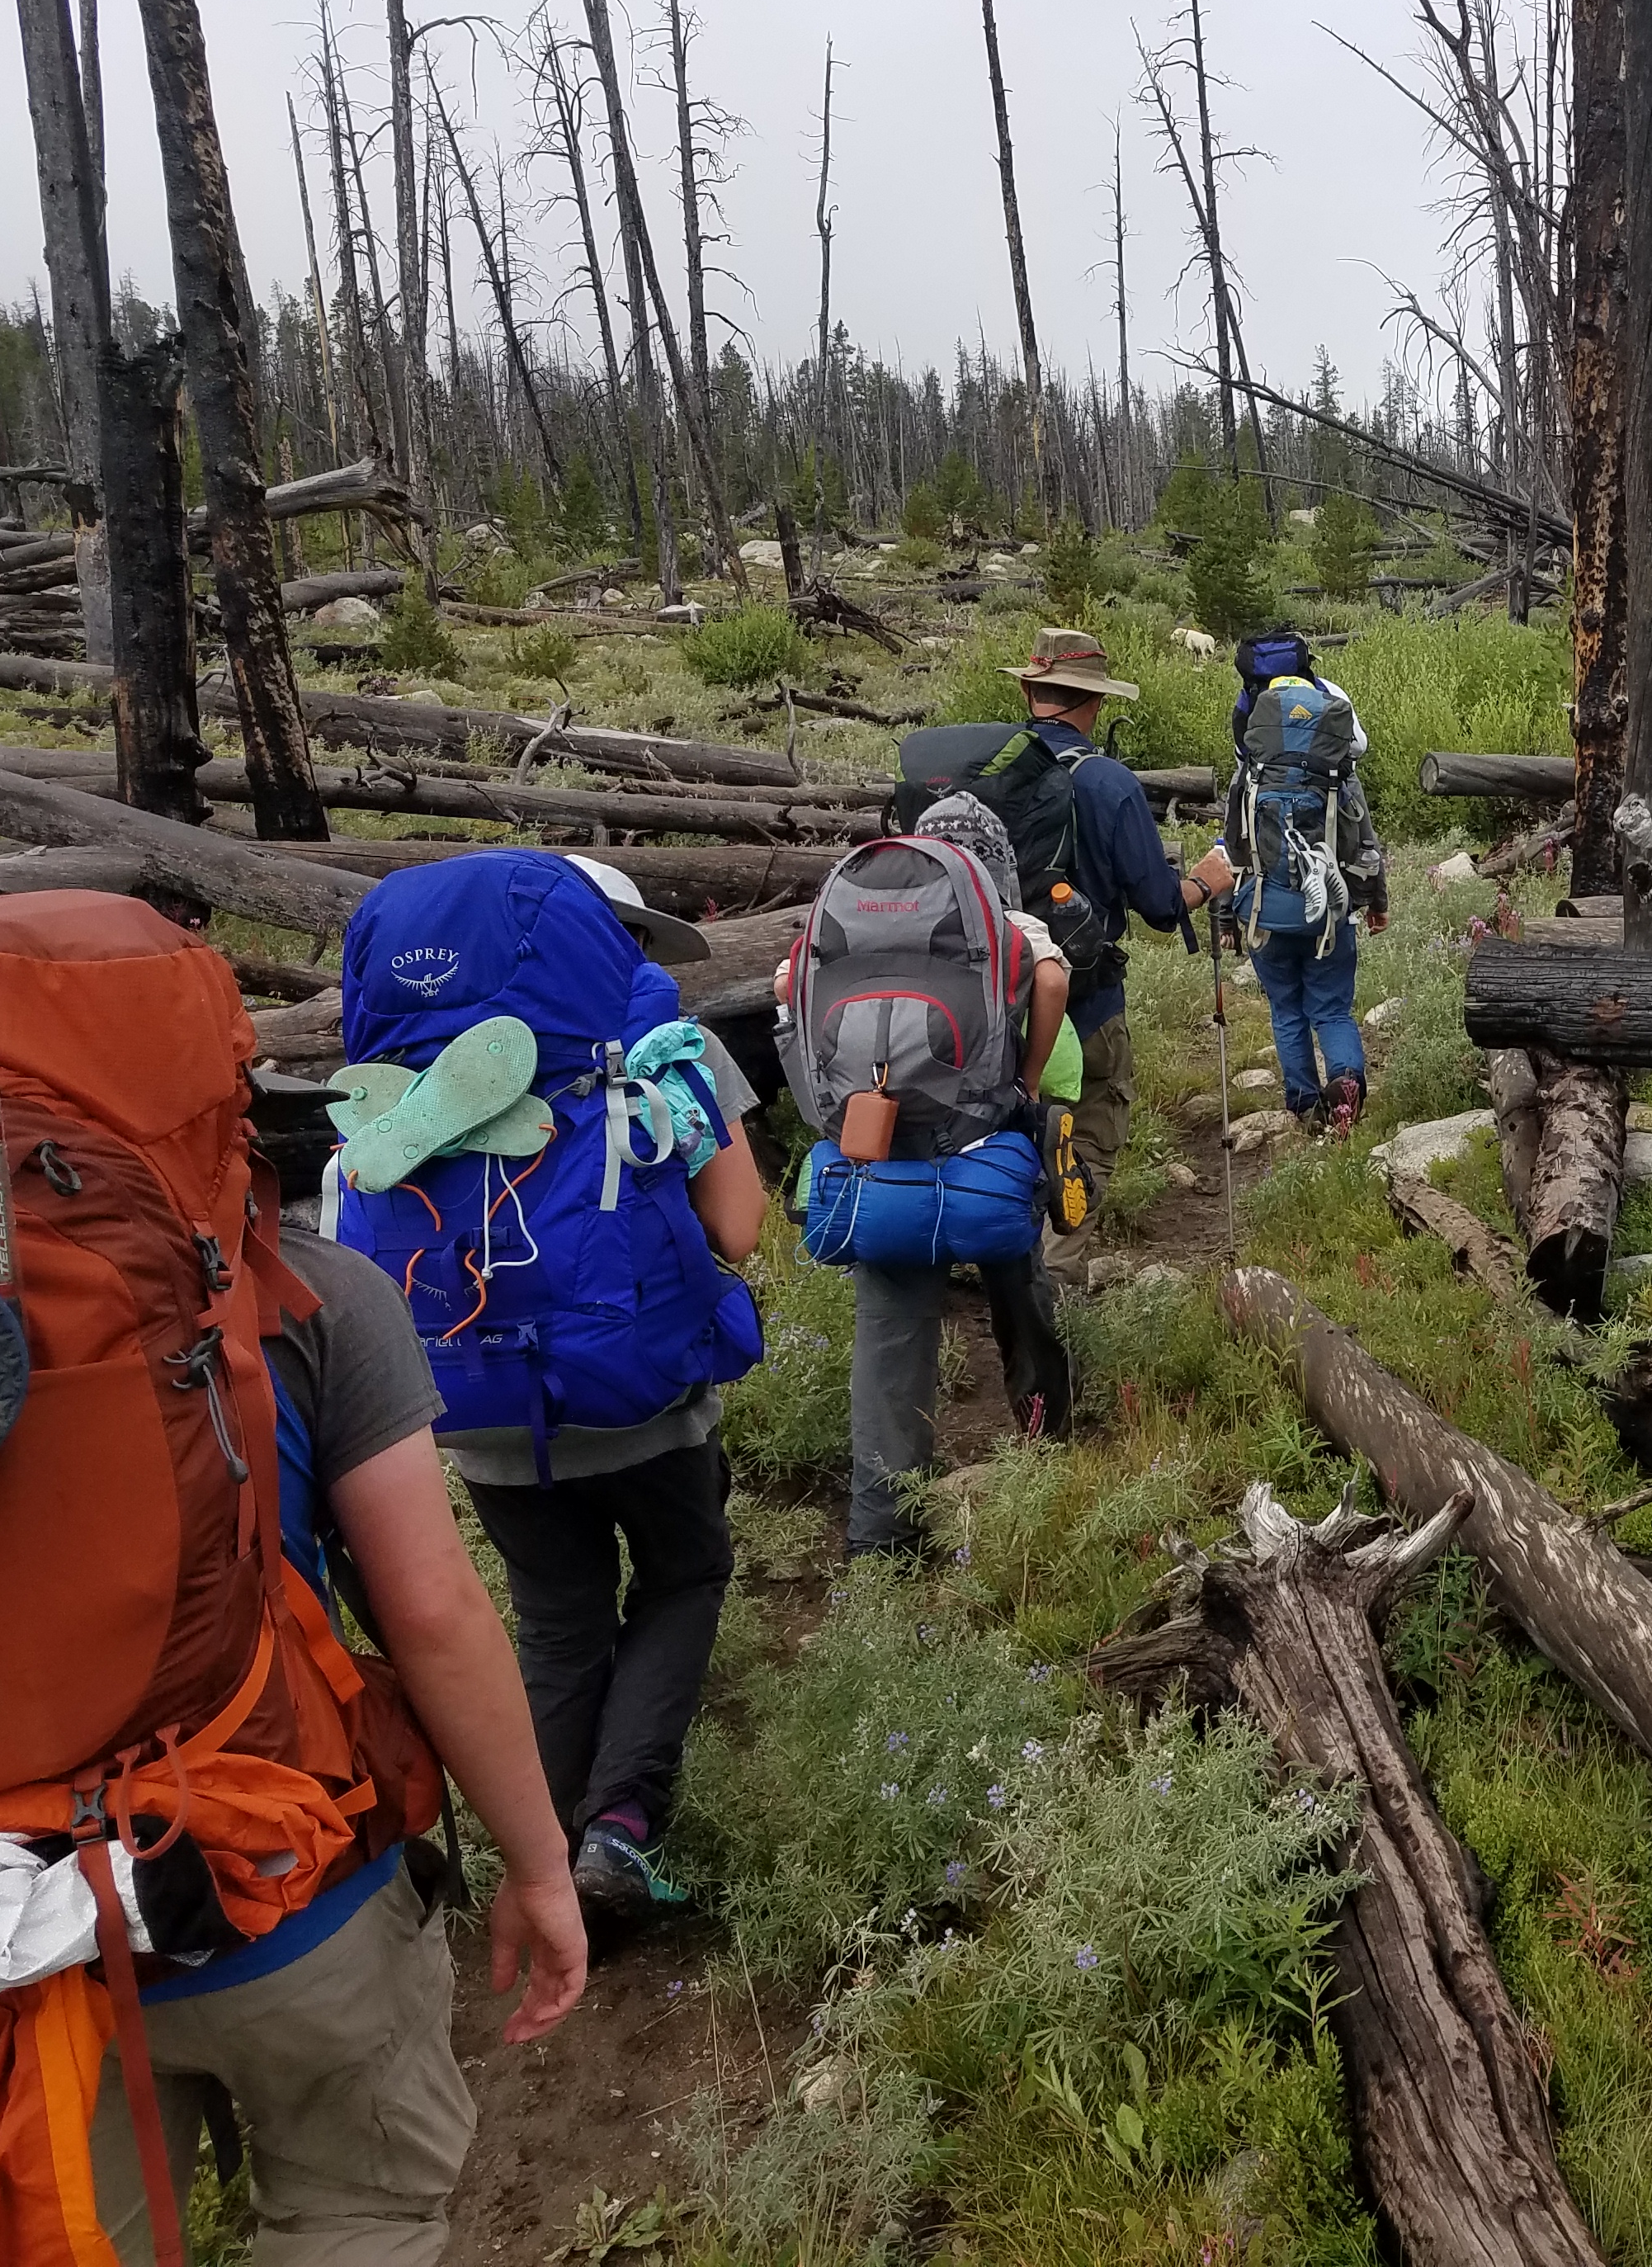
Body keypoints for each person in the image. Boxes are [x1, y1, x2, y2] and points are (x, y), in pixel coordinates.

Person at [90, 1229, 592, 2265]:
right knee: (360, 2217)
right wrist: (541, 1866)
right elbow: (432, 1609)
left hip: (23, 1943)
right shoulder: (305, 1289)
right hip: (287, 1883)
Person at [440, 858, 768, 1926]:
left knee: (557, 1622)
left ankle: (544, 1866)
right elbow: (740, 1229)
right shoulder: (670, 1048)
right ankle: (619, 1831)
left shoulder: (443, 1057)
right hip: (646, 1405)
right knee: (683, 1574)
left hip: (487, 1412)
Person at [778, 797, 1079, 1558]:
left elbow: (788, 984)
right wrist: (1030, 1078)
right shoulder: (1003, 919)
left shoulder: (855, 911)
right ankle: (1045, 1436)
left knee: (889, 1338)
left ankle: (882, 1537)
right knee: (1020, 1289)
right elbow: (1050, 981)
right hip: (982, 1146)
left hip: (877, 1148)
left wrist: (828, 1097)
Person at [1002, 629, 1234, 1256]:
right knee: (1083, 1148)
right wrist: (1203, 884)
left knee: (1004, 1142)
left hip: (991, 1004)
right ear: (1095, 703)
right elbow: (1159, 906)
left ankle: (1011, 1283)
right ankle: (1060, 1306)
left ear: (1028, 689)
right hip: (1085, 1006)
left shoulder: (986, 773)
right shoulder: (1108, 783)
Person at [1222, 632, 1389, 1133]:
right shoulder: (1339, 776)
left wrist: (1230, 918)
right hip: (1330, 913)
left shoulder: (1250, 777)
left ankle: (1303, 1105)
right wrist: (1375, 900)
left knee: (1287, 1010)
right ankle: (1347, 1080)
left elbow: (1234, 849)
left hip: (1265, 912)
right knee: (1332, 1008)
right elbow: (1364, 842)